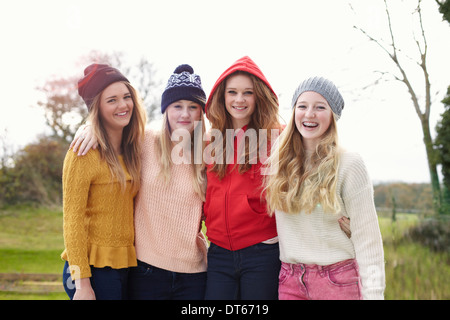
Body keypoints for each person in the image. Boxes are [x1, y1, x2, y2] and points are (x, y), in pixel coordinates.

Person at [70, 64, 209, 300]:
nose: (184, 114)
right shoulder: (143, 140)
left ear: (201, 113)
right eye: (177, 106)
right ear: (166, 110)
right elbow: (110, 124)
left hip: (194, 275)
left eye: (193, 107)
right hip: (146, 271)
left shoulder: (209, 151)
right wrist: (89, 127)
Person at [264, 76, 385, 300]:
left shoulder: (349, 163)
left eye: (320, 107)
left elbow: (368, 240)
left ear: (333, 116)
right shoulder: (278, 162)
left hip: (336, 281)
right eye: (302, 106)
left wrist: (374, 295)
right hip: (290, 281)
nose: (309, 114)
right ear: (293, 113)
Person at [61, 63, 147, 300]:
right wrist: (81, 284)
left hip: (127, 265)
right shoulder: (82, 152)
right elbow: (72, 221)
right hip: (91, 271)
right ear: (96, 107)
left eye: (127, 97)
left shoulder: (134, 148)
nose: (123, 105)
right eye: (112, 100)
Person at [203, 56, 282, 300]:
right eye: (232, 92)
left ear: (258, 96)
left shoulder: (277, 137)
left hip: (261, 252)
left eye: (247, 92)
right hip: (218, 253)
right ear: (222, 96)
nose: (239, 99)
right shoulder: (210, 140)